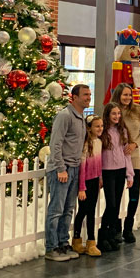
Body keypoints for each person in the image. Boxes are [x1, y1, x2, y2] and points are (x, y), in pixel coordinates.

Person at [44, 84, 91, 261]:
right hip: (61, 170)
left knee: (68, 209)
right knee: (56, 209)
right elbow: (55, 144)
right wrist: (61, 168)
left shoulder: (81, 117)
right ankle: (51, 247)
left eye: (89, 94)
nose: (88, 97)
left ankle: (63, 243)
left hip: (75, 168)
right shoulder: (65, 116)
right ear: (75, 97)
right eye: (85, 94)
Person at [111, 83, 140, 244]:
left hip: (133, 157)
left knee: (134, 194)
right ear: (119, 95)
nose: (127, 98)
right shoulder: (113, 110)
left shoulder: (138, 110)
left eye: (130, 95)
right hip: (117, 159)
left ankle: (128, 227)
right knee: (117, 195)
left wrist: (135, 144)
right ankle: (116, 228)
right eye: (125, 95)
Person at [99, 103, 134, 252]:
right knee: (111, 204)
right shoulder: (103, 132)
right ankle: (102, 235)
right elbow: (98, 156)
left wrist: (129, 174)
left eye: (119, 114)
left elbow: (126, 154)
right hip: (108, 172)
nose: (117, 116)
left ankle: (112, 234)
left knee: (117, 205)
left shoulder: (122, 131)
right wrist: (99, 175)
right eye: (114, 114)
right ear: (107, 115)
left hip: (120, 171)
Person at [72, 115, 103, 257]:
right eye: (97, 126)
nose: (100, 128)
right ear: (89, 128)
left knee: (91, 212)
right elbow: (82, 167)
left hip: (95, 181)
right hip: (85, 183)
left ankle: (91, 242)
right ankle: (77, 240)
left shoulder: (99, 142)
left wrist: (100, 177)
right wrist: (81, 187)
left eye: (101, 126)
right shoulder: (85, 144)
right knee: (83, 211)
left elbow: (99, 162)